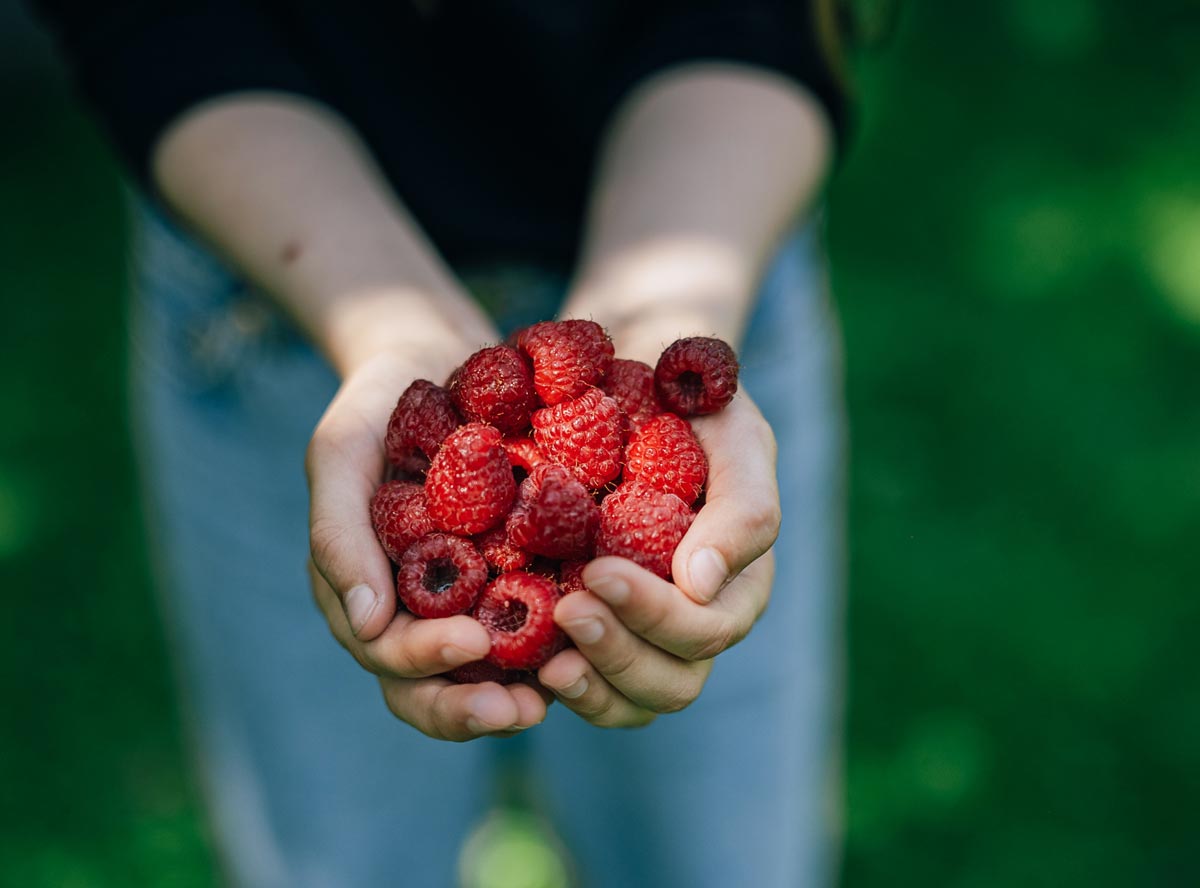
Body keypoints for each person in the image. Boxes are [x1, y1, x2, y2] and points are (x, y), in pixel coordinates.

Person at [35, 2, 849, 885]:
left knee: (719, 858)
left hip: (711, 227)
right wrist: (383, 321)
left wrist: (675, 310)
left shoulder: (643, 418)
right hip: (276, 282)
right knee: (338, 857)